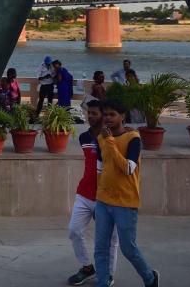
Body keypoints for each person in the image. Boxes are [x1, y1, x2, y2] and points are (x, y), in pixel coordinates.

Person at [95, 99, 159, 287]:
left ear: (122, 116)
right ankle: (102, 283)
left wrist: (110, 142)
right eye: (105, 114)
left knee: (128, 248)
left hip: (125, 202)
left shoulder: (133, 138)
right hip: (103, 201)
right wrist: (96, 199)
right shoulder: (101, 138)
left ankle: (150, 277)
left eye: (112, 114)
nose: (107, 118)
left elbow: (128, 168)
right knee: (100, 248)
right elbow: (100, 170)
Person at [66, 100, 118, 286]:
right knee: (74, 231)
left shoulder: (114, 138)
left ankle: (109, 274)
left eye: (95, 113)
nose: (90, 116)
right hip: (84, 194)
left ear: (103, 115)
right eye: (89, 113)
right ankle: (87, 268)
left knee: (110, 239)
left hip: (106, 198)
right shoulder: (84, 138)